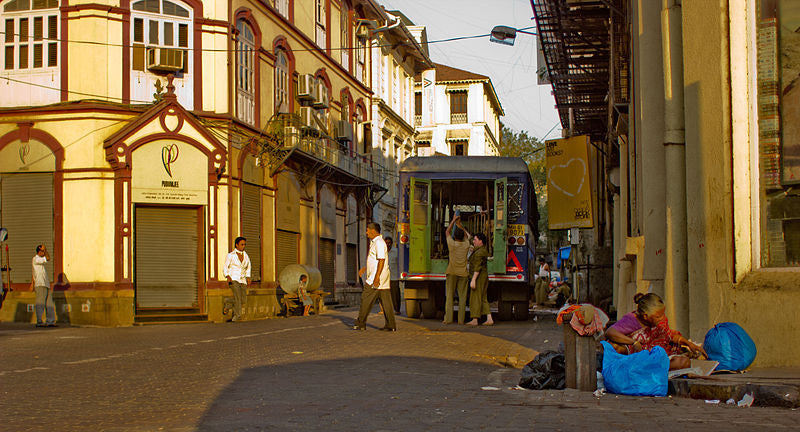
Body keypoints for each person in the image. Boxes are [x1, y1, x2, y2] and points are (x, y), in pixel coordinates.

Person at [606, 293, 707, 370]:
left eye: (663, 314)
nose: (662, 318)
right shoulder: (631, 320)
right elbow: (610, 332)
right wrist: (634, 342)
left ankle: (650, 369)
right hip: (638, 359)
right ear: (645, 316)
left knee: (684, 362)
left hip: (659, 357)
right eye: (658, 317)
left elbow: (668, 335)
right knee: (614, 348)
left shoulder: (659, 321)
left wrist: (688, 343)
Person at [354, 222, 396, 331]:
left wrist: (377, 278)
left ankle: (360, 323)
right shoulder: (375, 242)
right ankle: (391, 325)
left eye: (367, 230)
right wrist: (365, 268)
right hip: (381, 276)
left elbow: (381, 260)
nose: (366, 232)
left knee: (366, 299)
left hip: (375, 277)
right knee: (386, 302)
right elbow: (375, 261)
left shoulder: (379, 243)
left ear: (373, 231)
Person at [443, 212, 471, 324]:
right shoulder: (466, 245)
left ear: (454, 236)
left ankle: (448, 319)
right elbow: (468, 236)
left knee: (449, 297)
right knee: (462, 298)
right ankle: (461, 320)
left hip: (452, 272)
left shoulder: (452, 244)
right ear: (463, 237)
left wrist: (454, 221)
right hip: (463, 274)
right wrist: (460, 225)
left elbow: (447, 232)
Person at [466, 233, 493, 326]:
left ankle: (475, 319)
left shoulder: (479, 253)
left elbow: (477, 268)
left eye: (475, 240)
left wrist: (473, 280)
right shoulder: (482, 250)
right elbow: (470, 239)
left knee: (475, 298)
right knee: (483, 298)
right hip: (483, 276)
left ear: (480, 241)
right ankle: (489, 318)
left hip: (479, 277)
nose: (473, 241)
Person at [223, 237, 251, 322]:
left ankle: (227, 302)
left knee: (243, 300)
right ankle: (237, 316)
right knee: (238, 298)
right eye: (242, 244)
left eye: (244, 244)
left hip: (243, 280)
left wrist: (248, 277)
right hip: (234, 279)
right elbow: (225, 267)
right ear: (237, 245)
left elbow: (248, 267)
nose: (243, 246)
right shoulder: (231, 255)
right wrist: (227, 276)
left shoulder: (246, 256)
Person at [31, 245, 56, 327]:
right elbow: (48, 258)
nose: (44, 252)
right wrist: (45, 251)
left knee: (49, 303)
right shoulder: (36, 259)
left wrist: (45, 250)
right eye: (43, 251)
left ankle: (50, 321)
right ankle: (39, 321)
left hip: (46, 284)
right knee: (40, 303)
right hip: (40, 284)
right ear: (39, 251)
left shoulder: (40, 260)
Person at [385, 236, 401, 315]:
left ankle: (397, 309)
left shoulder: (396, 252)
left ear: (391, 243)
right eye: (386, 243)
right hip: (385, 277)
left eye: (389, 243)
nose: (388, 245)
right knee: (386, 294)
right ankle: (387, 309)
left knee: (395, 294)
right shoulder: (383, 252)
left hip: (394, 276)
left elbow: (400, 263)